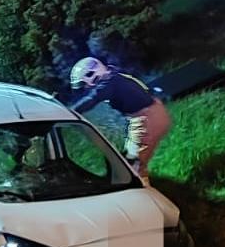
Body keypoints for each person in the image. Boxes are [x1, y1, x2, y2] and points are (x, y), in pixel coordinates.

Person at [69, 56, 171, 185]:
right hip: (155, 110)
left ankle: (143, 194)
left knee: (133, 167)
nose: (86, 87)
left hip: (145, 118)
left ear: (91, 74)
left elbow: (92, 98)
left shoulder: (108, 82)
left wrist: (69, 111)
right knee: (131, 159)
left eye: (85, 83)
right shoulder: (115, 72)